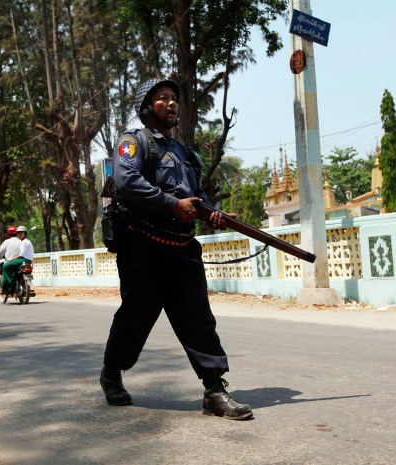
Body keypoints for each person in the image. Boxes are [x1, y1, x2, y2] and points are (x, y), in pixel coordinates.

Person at [99, 78, 252, 420]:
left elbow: (198, 196)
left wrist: (212, 211)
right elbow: (127, 181)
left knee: (197, 318)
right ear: (147, 107)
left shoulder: (185, 152)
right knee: (136, 317)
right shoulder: (133, 141)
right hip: (142, 244)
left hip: (182, 246)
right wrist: (171, 204)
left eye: (174, 99)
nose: (171, 104)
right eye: (162, 98)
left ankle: (214, 390)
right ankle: (112, 372)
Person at [0, 226, 34, 293]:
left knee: (5, 266)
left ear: (25, 234)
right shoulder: (24, 241)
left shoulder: (24, 242)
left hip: (23, 259)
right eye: (18, 233)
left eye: (21, 233)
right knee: (13, 270)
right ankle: (13, 285)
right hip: (26, 260)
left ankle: (8, 286)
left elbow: (21, 255)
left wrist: (10, 260)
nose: (20, 235)